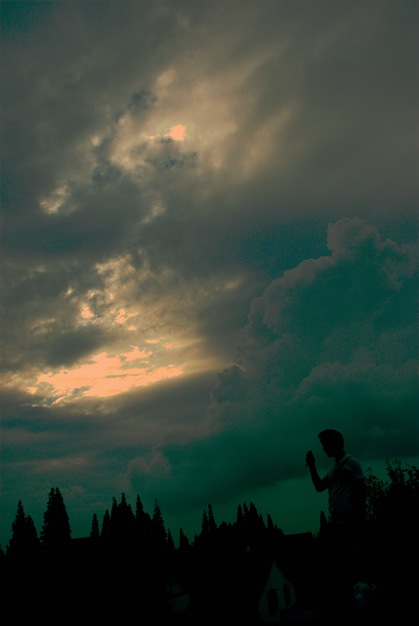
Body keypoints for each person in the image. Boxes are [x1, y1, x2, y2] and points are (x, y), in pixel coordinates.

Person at [306, 429, 366, 625]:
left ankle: (354, 612)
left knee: (346, 570)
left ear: (335, 444)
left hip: (348, 525)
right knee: (337, 571)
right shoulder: (333, 469)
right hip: (336, 526)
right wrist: (312, 466)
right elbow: (319, 487)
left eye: (325, 444)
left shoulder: (352, 464)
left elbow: (360, 497)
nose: (323, 448)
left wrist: (359, 527)